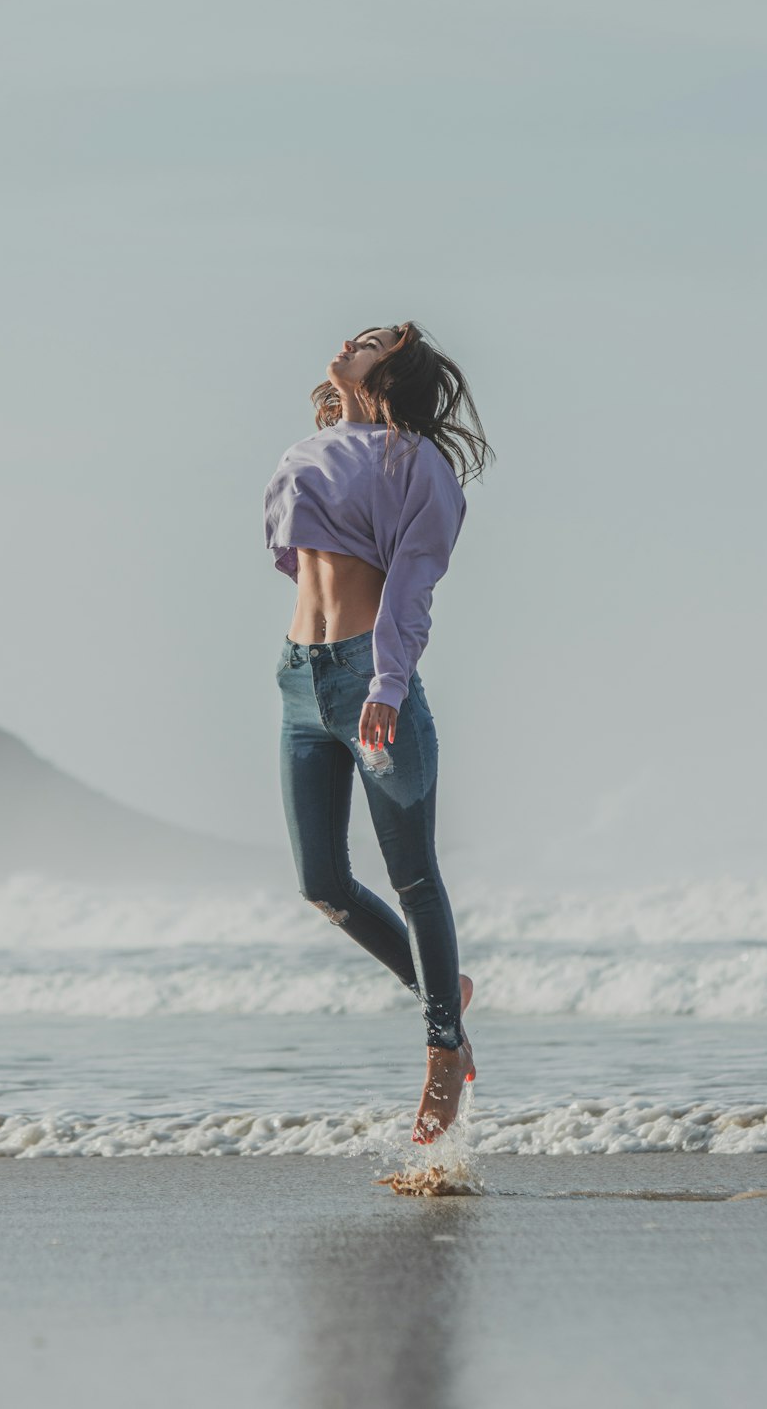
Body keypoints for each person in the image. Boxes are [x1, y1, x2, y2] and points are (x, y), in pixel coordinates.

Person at [263, 321, 494, 1142]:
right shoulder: (314, 444)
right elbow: (296, 556)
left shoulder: (419, 465)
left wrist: (389, 680)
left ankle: (442, 1052)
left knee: (414, 877)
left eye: (373, 341)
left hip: (371, 680)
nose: (349, 341)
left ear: (394, 370)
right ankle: (445, 990)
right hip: (303, 678)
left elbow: (411, 584)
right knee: (321, 882)